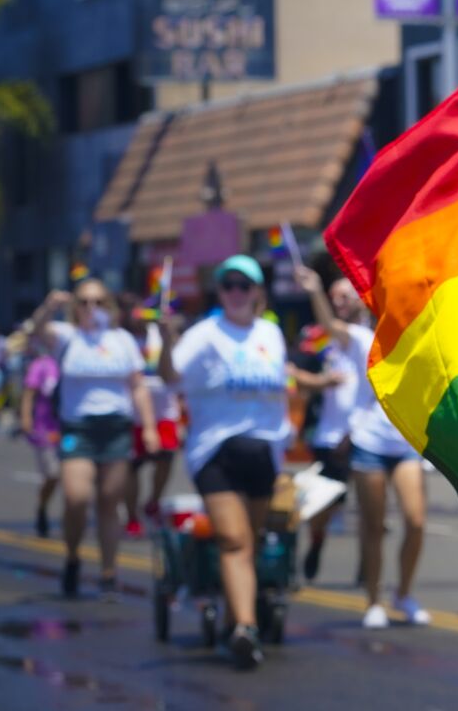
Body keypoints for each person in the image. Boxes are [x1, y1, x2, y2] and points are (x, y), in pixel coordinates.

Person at [160, 255, 291, 670]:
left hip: (263, 451)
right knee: (234, 540)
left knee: (248, 543)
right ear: (219, 292)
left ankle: (234, 623)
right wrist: (166, 341)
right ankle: (245, 630)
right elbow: (168, 376)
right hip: (216, 451)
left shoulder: (270, 332)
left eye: (244, 285)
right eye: (228, 285)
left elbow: (281, 395)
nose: (236, 292)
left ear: (257, 293)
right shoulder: (204, 334)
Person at [295, 265, 432, 630]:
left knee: (415, 521)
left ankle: (403, 593)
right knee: (372, 525)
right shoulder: (359, 338)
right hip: (368, 441)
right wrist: (314, 291)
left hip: (404, 443)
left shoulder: (414, 337)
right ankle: (374, 600)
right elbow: (329, 325)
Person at [28, 280, 156, 599]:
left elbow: (137, 385)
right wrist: (49, 306)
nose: (91, 309)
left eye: (98, 302)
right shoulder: (68, 338)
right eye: (84, 302)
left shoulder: (121, 339)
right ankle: (72, 556)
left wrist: (150, 426)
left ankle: (108, 571)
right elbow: (35, 332)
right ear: (76, 308)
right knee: (76, 497)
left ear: (109, 307)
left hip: (115, 426)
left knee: (109, 501)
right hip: (78, 428)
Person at [285, 320, 357, 583]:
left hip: (364, 436)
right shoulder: (316, 337)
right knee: (323, 503)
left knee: (370, 506)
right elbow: (295, 377)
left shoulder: (373, 337)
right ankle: (316, 543)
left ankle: (367, 567)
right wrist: (323, 381)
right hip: (328, 436)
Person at [118, 293, 180, 538]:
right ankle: (132, 516)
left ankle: (153, 501)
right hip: (131, 412)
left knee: (166, 459)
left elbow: (174, 363)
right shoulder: (121, 339)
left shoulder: (158, 333)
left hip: (164, 409)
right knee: (132, 467)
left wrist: (168, 334)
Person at [18, 346, 61, 537]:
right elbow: (29, 392)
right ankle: (42, 507)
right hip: (46, 429)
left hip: (69, 429)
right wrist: (26, 417)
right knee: (52, 474)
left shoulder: (70, 361)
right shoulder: (42, 364)